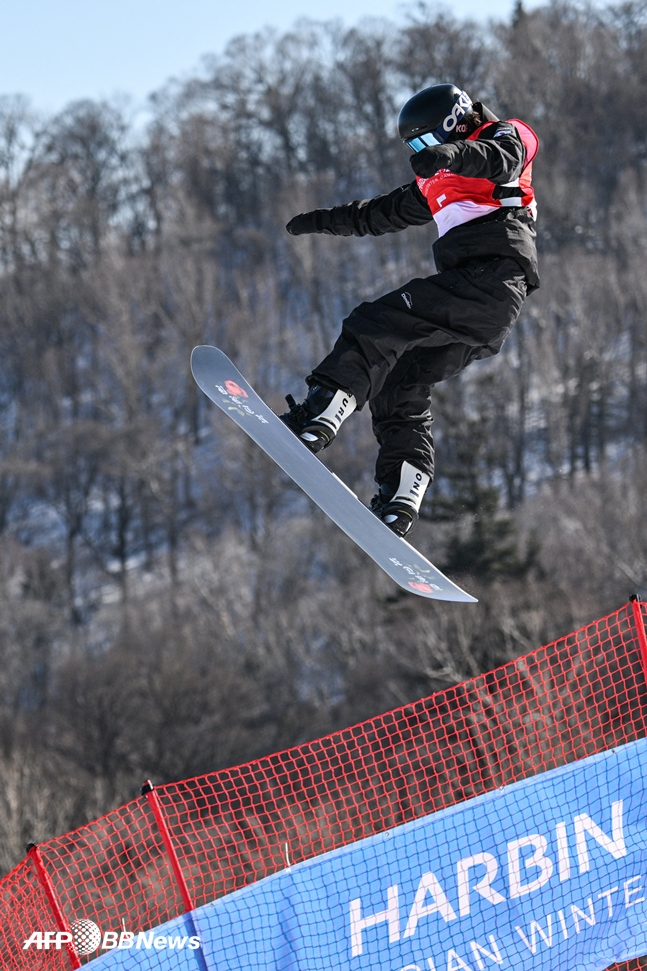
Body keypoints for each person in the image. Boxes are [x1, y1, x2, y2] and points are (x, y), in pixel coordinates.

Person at [281, 83, 539, 538]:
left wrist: (449, 154)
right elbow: (377, 214)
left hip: (492, 276)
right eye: (414, 149)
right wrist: (321, 221)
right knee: (399, 382)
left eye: (425, 142)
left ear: (454, 123)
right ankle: (402, 493)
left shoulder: (506, 135)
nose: (422, 154)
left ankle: (319, 415)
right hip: (479, 307)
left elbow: (499, 158)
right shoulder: (434, 181)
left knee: (374, 324)